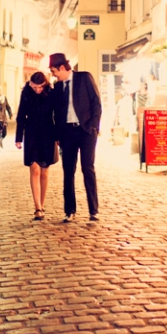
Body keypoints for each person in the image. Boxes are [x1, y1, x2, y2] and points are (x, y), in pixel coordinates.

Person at [48, 53, 102, 223]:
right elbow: (55, 113)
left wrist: (93, 126)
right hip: (67, 134)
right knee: (68, 171)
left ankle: (93, 210)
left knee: (88, 169)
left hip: (86, 131)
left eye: (54, 71)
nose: (53, 74)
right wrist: (58, 135)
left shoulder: (84, 78)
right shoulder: (57, 87)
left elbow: (96, 103)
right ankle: (69, 210)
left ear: (62, 68)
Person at [15, 72, 59, 221]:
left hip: (48, 134)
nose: (38, 90)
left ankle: (42, 203)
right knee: (34, 170)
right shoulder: (26, 93)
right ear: (30, 83)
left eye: (40, 87)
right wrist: (18, 138)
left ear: (44, 84)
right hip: (32, 133)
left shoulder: (51, 93)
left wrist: (58, 136)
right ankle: (38, 208)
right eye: (35, 87)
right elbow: (21, 115)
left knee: (45, 172)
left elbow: (57, 115)